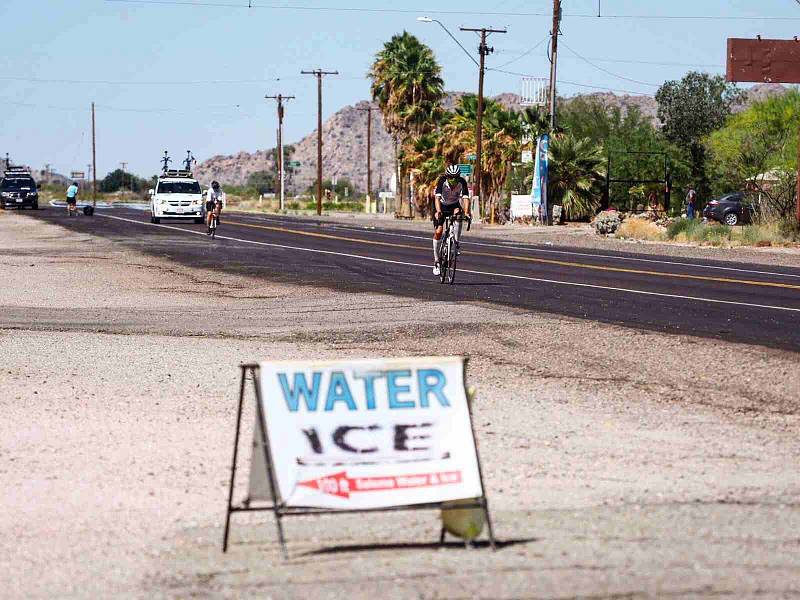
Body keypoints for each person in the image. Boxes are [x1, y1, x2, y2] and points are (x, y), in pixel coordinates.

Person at [432, 165, 471, 276]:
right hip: (441, 206)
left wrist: (467, 213)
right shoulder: (442, 181)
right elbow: (437, 198)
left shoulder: (462, 182)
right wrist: (438, 211)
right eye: (451, 178)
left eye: (456, 178)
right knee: (439, 231)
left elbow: (465, 199)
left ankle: (456, 242)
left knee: (459, 215)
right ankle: (436, 261)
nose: (453, 180)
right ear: (447, 176)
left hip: (454, 205)